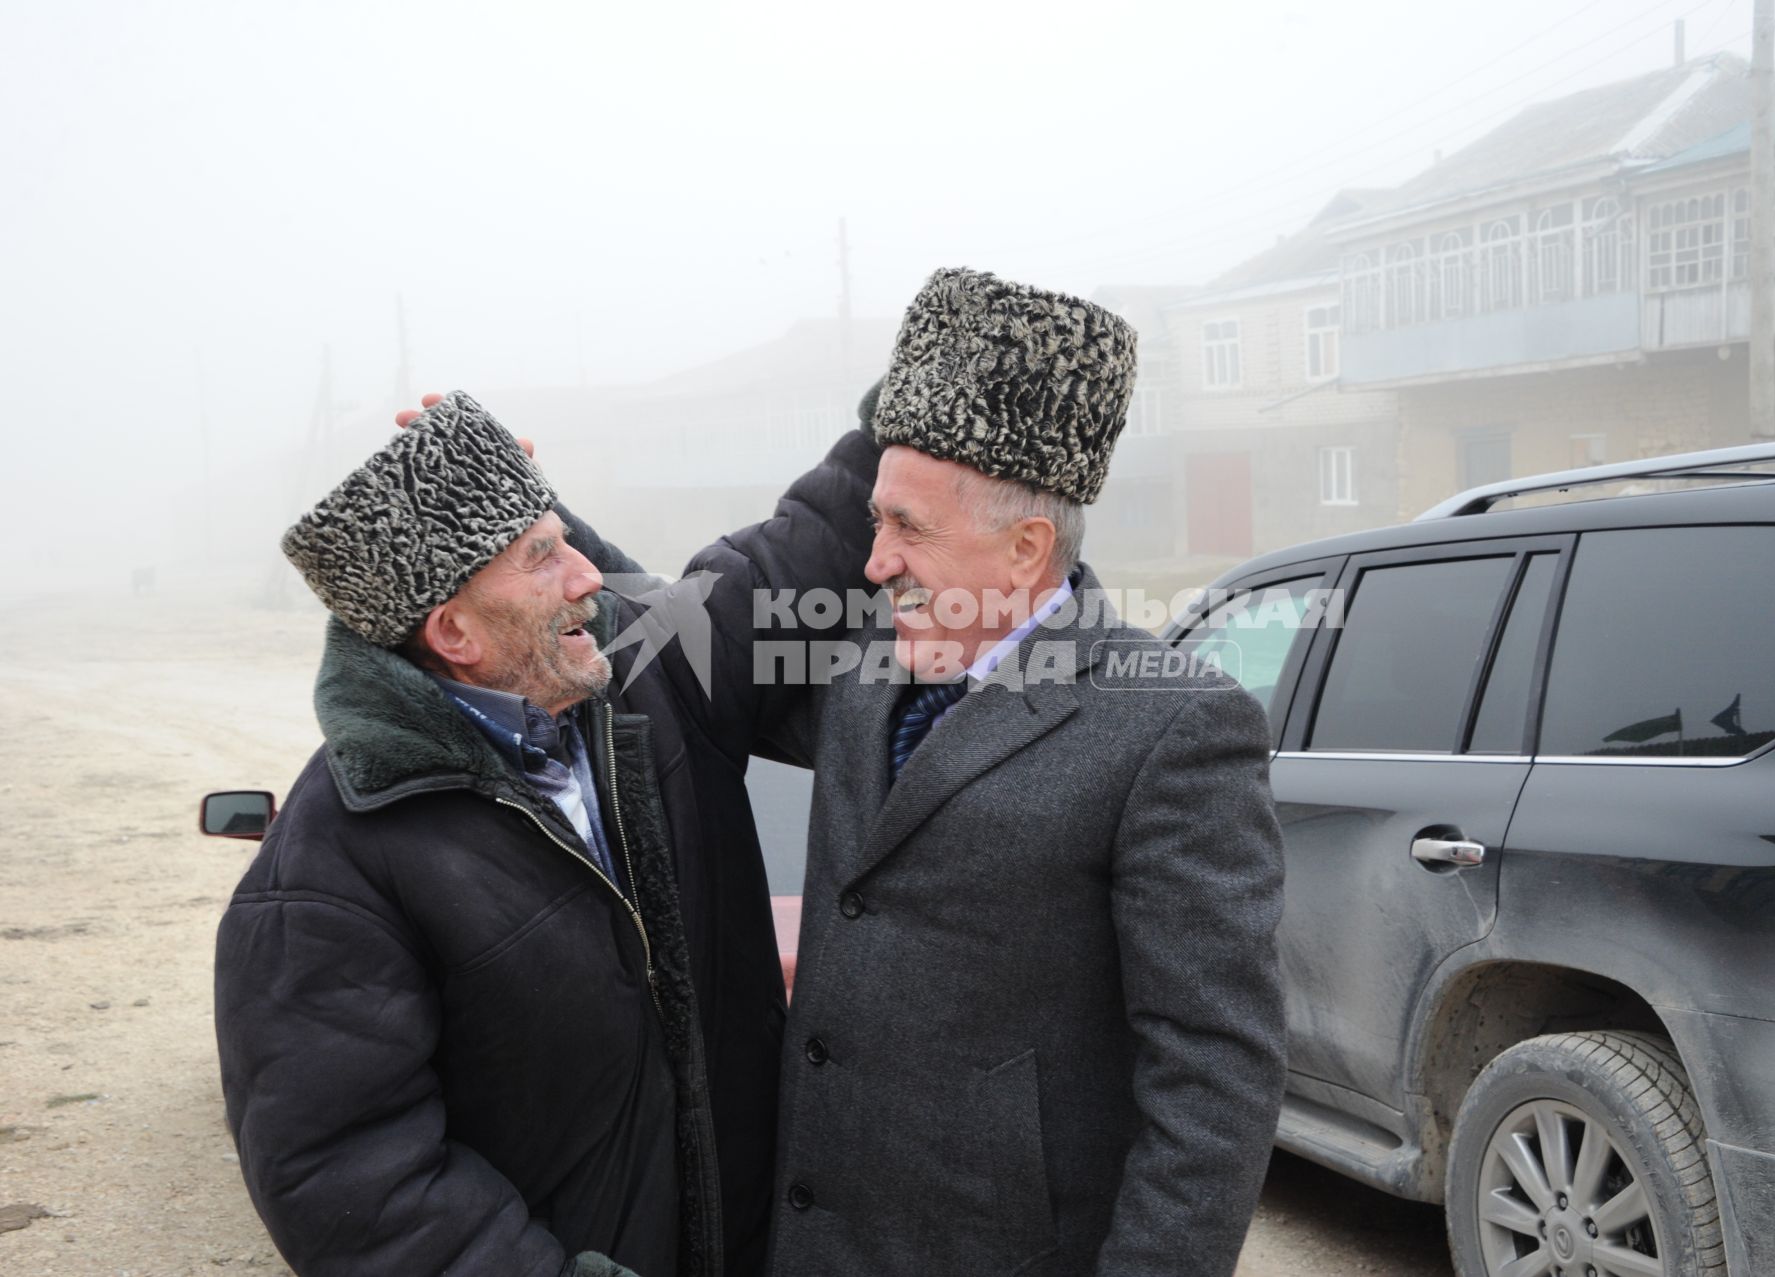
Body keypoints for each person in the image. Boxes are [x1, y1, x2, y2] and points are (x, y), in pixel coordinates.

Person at [573, 267, 1289, 1276]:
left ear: (1026, 546)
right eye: (877, 521)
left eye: (909, 528)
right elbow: (690, 641)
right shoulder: (866, 660)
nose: (874, 561)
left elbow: (1215, 1076)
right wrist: (551, 538)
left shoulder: (1170, 724)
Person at [213, 390, 878, 1277]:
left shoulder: (648, 683)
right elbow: (356, 1182)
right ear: (452, 631)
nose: (587, 575)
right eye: (542, 556)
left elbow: (806, 548)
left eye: (565, 537)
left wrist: (920, 401)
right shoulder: (332, 866)